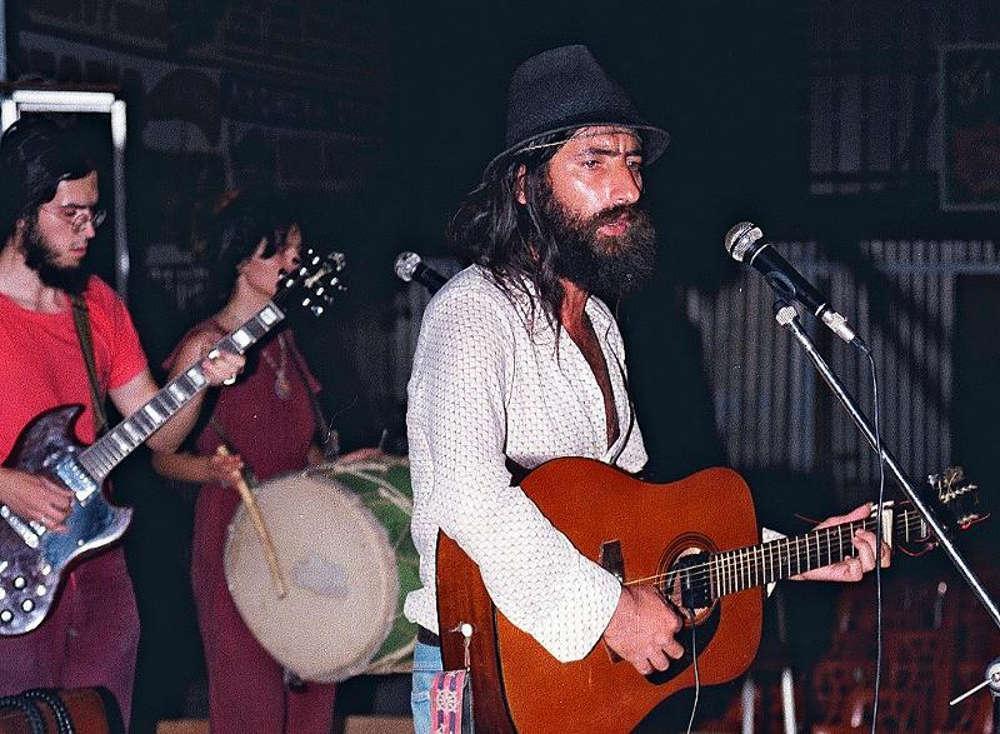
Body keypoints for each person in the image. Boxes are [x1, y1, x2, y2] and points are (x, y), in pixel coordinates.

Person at [404, 45, 889, 731]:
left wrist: (795, 553)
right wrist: (610, 611)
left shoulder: (599, 323)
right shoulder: (473, 310)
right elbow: (467, 496)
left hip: (584, 686)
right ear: (524, 184)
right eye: (594, 162)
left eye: (632, 163)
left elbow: (638, 524)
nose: (628, 189)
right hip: (491, 680)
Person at [0, 117, 243, 723]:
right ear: (23, 213)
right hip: (10, 565)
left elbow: (161, 435)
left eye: (94, 213)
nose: (89, 230)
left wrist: (199, 377)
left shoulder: (96, 307)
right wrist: (6, 484)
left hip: (97, 557)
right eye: (71, 214)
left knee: (103, 718)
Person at [151, 194, 368, 733]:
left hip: (302, 532)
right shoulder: (204, 344)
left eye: (297, 249)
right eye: (280, 250)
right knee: (251, 703)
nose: (293, 261)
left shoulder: (284, 340)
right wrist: (209, 471)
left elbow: (298, 448)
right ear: (241, 260)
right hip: (236, 535)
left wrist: (341, 469)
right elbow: (159, 458)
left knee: (313, 701)